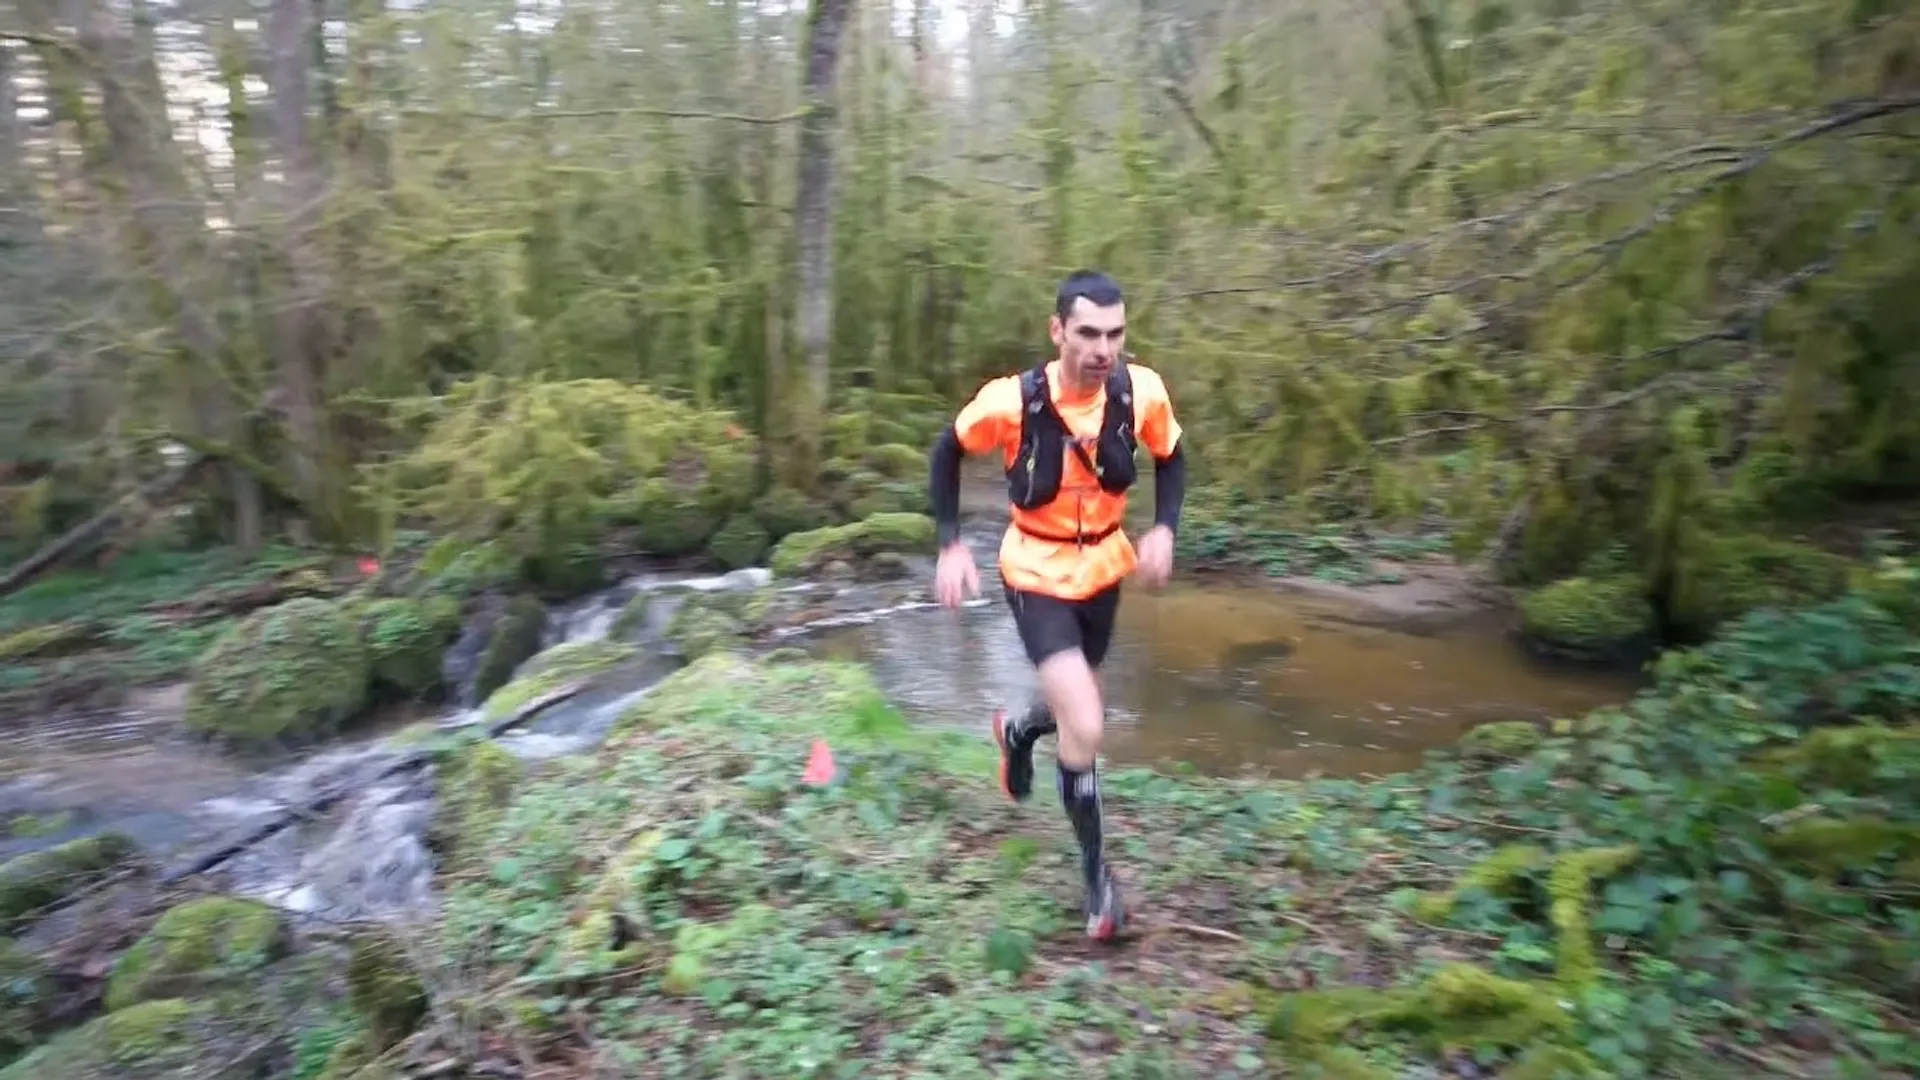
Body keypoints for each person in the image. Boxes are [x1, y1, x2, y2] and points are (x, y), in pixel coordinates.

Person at [926, 270, 1187, 941]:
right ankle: (1099, 886)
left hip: (1103, 567)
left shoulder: (1140, 391)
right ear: (1058, 331)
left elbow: (1174, 456)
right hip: (1035, 569)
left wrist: (1163, 528)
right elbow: (946, 452)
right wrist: (951, 545)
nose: (1104, 350)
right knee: (1090, 724)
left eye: (1116, 334)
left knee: (1080, 708)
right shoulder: (1011, 402)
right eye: (1089, 334)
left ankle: (1018, 733)